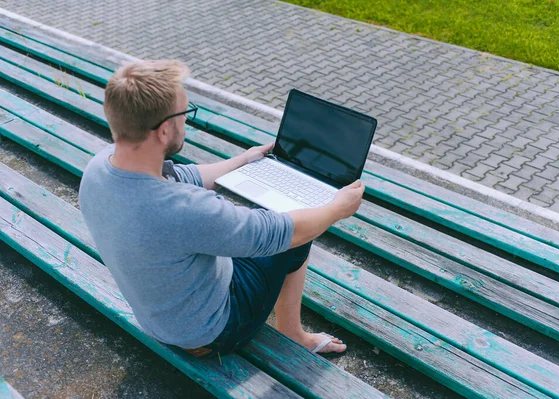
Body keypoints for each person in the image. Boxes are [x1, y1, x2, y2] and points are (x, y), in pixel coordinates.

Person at [79, 60, 365, 357]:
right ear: (164, 131)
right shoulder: (184, 210)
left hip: (158, 315)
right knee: (301, 230)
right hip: (212, 332)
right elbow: (281, 231)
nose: (186, 122)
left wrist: (243, 161)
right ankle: (293, 334)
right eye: (185, 113)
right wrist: (336, 208)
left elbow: (183, 176)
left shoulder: (99, 168)